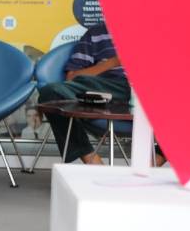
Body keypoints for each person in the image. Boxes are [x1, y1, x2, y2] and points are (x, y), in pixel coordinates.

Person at [37, 21, 131, 165]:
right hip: (106, 89)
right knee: (50, 93)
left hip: (148, 92)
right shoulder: (97, 33)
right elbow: (72, 77)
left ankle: (153, 163)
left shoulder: (156, 32)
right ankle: (93, 162)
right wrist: (113, 62)